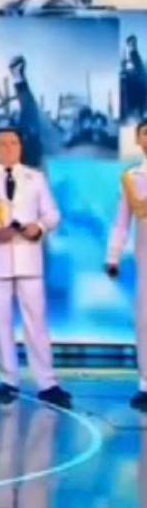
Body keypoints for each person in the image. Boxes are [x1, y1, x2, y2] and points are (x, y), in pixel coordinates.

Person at [0, 127, 71, 408]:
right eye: (3, 144)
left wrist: (40, 226)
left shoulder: (35, 178)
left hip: (29, 259)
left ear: (21, 147)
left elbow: (53, 214)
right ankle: (8, 379)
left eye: (14, 143)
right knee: (0, 321)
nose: (9, 148)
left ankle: (47, 382)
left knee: (36, 321)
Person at [106, 119, 147, 412]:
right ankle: (146, 383)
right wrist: (113, 256)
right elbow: (122, 222)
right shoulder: (132, 178)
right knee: (145, 322)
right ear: (138, 139)